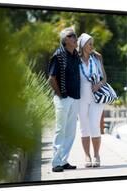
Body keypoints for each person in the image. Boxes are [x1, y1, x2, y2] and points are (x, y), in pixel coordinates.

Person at [48, 27, 81, 172]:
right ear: (65, 40)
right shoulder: (58, 55)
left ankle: (64, 160)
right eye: (71, 35)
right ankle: (56, 163)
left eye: (75, 35)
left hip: (75, 98)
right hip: (63, 99)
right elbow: (51, 79)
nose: (75, 37)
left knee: (71, 132)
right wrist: (61, 95)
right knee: (60, 131)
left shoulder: (75, 55)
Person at [77, 33, 107, 167]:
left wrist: (98, 84)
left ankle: (96, 155)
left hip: (97, 97)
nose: (92, 46)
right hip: (82, 97)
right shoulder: (76, 60)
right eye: (89, 44)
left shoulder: (97, 58)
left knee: (95, 126)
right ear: (83, 45)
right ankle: (87, 156)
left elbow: (104, 78)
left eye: (92, 43)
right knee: (84, 127)